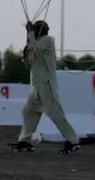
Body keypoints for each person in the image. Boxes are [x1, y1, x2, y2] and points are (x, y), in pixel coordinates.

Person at [17, 20, 81, 155]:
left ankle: (73, 140)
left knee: (56, 114)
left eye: (34, 29)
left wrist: (30, 34)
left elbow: (34, 49)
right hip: (36, 87)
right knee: (28, 111)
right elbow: (28, 58)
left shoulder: (47, 41)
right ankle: (24, 140)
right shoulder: (37, 42)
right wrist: (28, 36)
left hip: (46, 86)